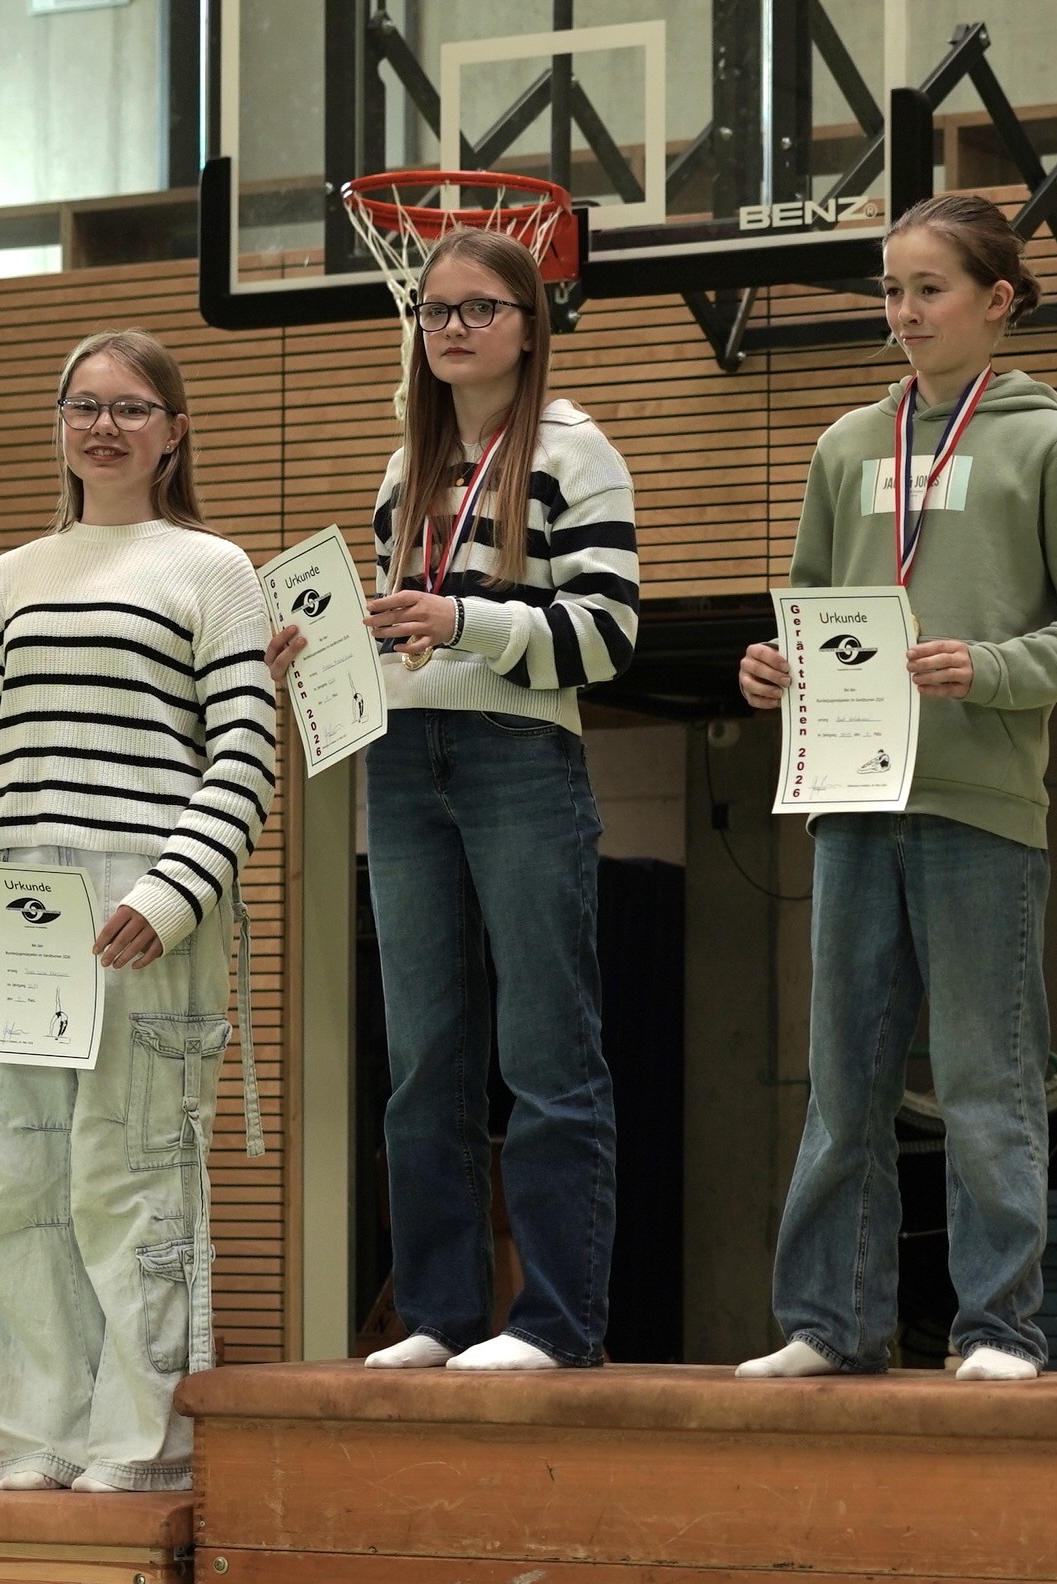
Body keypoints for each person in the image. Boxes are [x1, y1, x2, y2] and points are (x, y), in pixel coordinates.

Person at [735, 192, 1057, 1383]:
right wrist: (771, 668)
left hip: (979, 810)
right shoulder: (843, 446)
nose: (905, 312)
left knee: (983, 1081)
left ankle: (995, 1330)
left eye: (930, 289)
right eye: (890, 290)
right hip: (850, 800)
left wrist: (992, 667)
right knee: (840, 1081)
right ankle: (828, 1321)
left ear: (998, 300)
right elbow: (808, 610)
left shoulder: (1049, 445)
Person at [267, 228, 639, 1372]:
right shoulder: (404, 471)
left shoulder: (577, 454)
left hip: (519, 758)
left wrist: (462, 620)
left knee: (543, 1050)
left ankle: (555, 1324)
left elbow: (611, 634)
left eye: (478, 309)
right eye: (433, 311)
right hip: (405, 754)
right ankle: (436, 1312)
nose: (451, 329)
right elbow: (404, 632)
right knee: (422, 1054)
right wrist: (326, 652)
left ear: (530, 327)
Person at [0, 330, 275, 1491]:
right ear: (60, 424)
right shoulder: (12, 572)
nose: (104, 426)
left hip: (141, 906)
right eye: (83, 404)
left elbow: (243, 754)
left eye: (131, 408)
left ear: (172, 432)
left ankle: (140, 1443)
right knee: (17, 1184)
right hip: (22, 907)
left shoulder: (212, 567)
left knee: (132, 1180)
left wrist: (170, 896)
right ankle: (36, 1437)